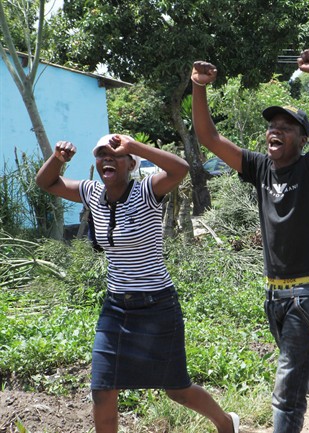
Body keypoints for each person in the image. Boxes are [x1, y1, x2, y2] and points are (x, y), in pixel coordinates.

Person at [191, 49, 309, 433]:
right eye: (272, 125)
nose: (275, 130)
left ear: (303, 138)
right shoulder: (259, 168)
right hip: (274, 293)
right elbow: (208, 137)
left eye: (286, 126)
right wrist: (198, 86)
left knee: (289, 385)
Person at [35, 135, 239, 433]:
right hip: (117, 308)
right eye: (102, 154)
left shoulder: (146, 190)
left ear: (131, 164)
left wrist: (134, 146)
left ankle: (225, 422)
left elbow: (179, 170)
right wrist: (58, 159)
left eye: (116, 154)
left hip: (158, 306)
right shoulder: (92, 193)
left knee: (176, 389)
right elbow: (46, 182)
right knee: (102, 389)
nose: (108, 158)